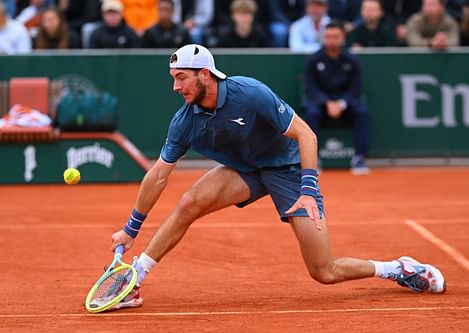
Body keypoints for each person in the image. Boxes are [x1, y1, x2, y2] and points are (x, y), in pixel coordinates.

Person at [104, 43, 446, 310]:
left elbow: (306, 135)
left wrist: (309, 188)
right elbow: (158, 175)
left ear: (204, 74)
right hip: (245, 170)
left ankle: (398, 269)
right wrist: (131, 229)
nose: (176, 87)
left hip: (289, 170)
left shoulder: (249, 93)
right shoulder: (185, 121)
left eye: (181, 78)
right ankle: (136, 278)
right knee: (189, 202)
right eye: (173, 79)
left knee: (323, 271)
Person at [304, 22, 370, 175]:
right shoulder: (313, 60)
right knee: (311, 114)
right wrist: (326, 102)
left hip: (346, 103)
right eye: (328, 37)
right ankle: (313, 159)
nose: (331, 40)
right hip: (321, 103)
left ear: (343, 38)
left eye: (335, 37)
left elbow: (356, 88)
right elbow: (310, 87)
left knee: (362, 113)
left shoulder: (352, 60)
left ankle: (360, 157)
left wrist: (341, 103)